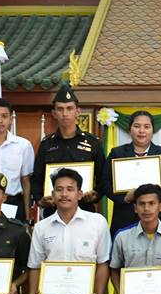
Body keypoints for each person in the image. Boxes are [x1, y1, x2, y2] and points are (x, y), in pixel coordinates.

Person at [23, 168, 111, 294]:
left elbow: (102, 263)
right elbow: (35, 265)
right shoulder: (42, 227)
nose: (64, 194)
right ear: (52, 195)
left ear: (79, 194)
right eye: (59, 189)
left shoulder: (97, 222)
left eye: (70, 189)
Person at [31, 87, 106, 219]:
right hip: (53, 211)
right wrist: (40, 200)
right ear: (54, 113)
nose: (65, 113)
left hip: (84, 209)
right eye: (60, 109)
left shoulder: (93, 143)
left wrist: (96, 195)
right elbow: (36, 178)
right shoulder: (46, 144)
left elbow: (103, 177)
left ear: (78, 111)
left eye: (69, 108)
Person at [102, 110, 161, 236]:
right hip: (125, 216)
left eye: (147, 127)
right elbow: (105, 183)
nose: (141, 131)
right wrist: (125, 198)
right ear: (129, 129)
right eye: (137, 126)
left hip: (158, 218)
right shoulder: (117, 153)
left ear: (153, 130)